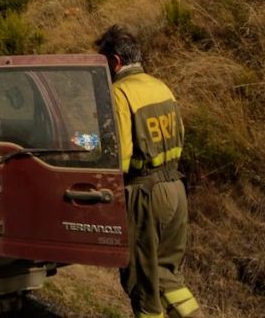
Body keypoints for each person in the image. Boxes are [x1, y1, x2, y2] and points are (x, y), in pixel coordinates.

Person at [94, 24, 202, 318]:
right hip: (175, 189)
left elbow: (122, 159)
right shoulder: (161, 86)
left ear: (115, 61)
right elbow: (180, 134)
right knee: (168, 276)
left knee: (143, 285)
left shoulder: (119, 94)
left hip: (145, 195)